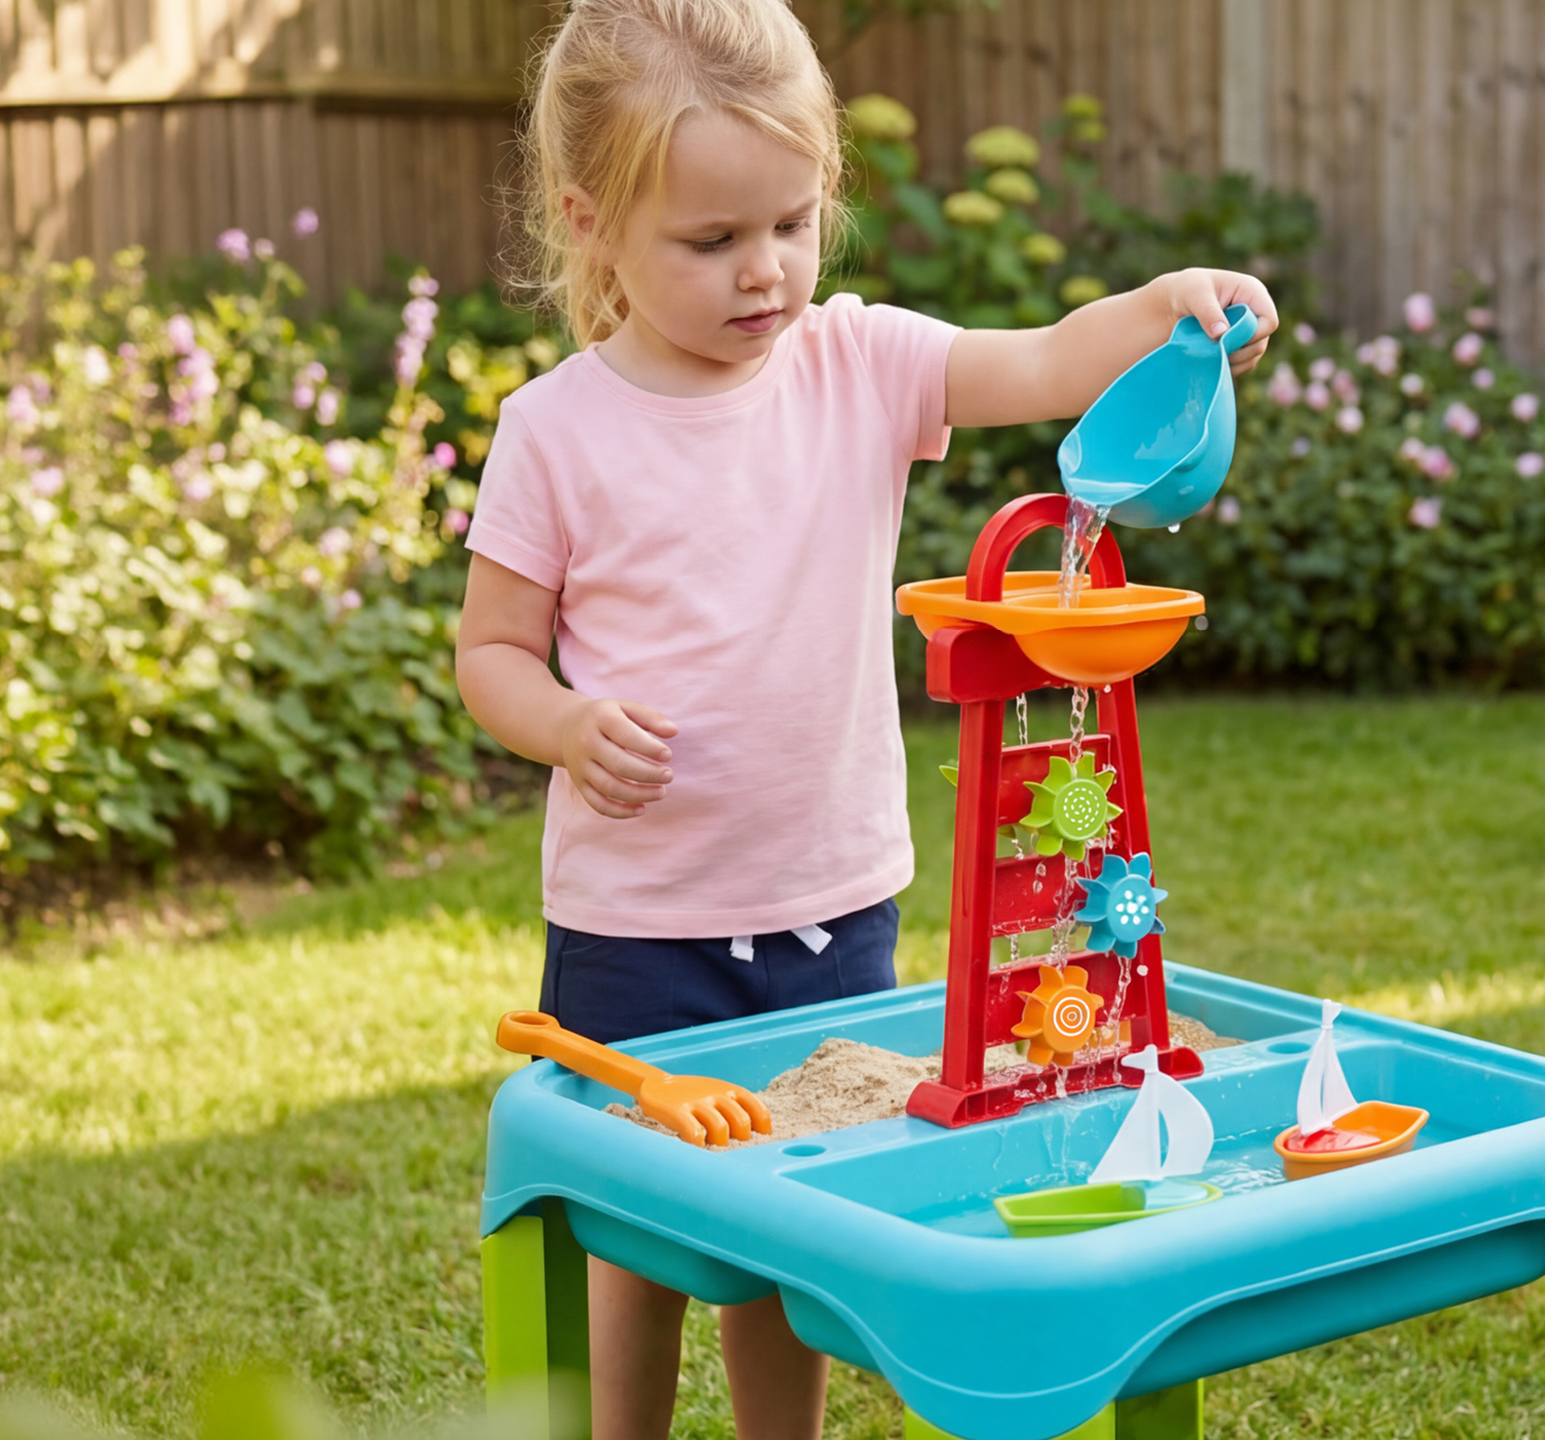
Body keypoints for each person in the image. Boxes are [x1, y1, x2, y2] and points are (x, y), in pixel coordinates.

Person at [454, 2, 1275, 1436]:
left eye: (791, 223)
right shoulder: (557, 432)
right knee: (634, 1243)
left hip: (833, 908)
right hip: (639, 925)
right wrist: (567, 727)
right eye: (711, 240)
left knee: (798, 1234)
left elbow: (1049, 361)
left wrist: (1167, 309)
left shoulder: (861, 364)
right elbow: (491, 655)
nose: (764, 269)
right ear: (591, 223)